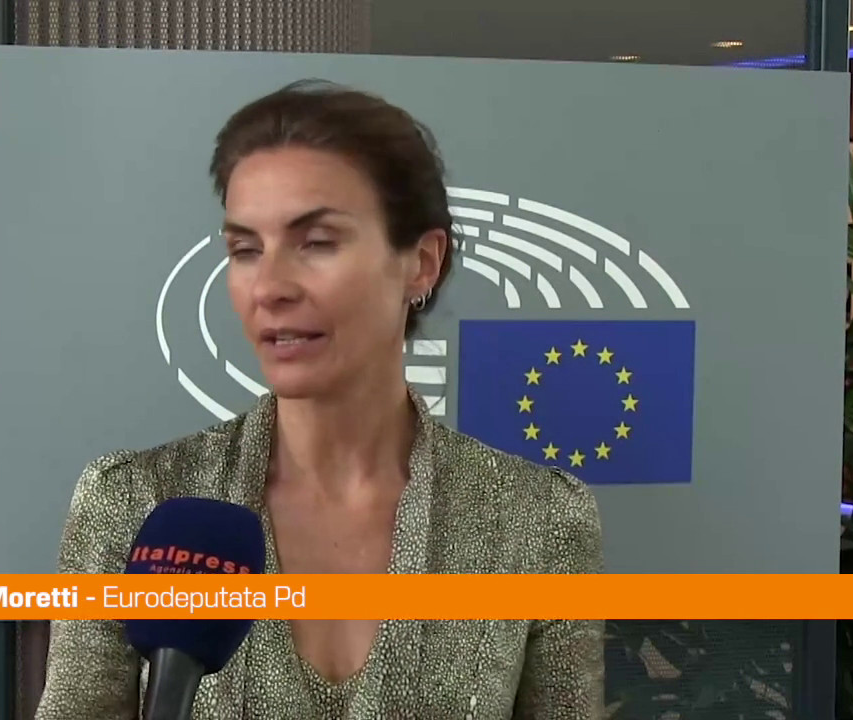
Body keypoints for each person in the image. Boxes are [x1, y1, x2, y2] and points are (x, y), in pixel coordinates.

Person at [34, 79, 605, 720]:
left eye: (317, 242)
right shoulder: (133, 502)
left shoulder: (537, 519)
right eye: (245, 249)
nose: (270, 287)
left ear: (421, 262)